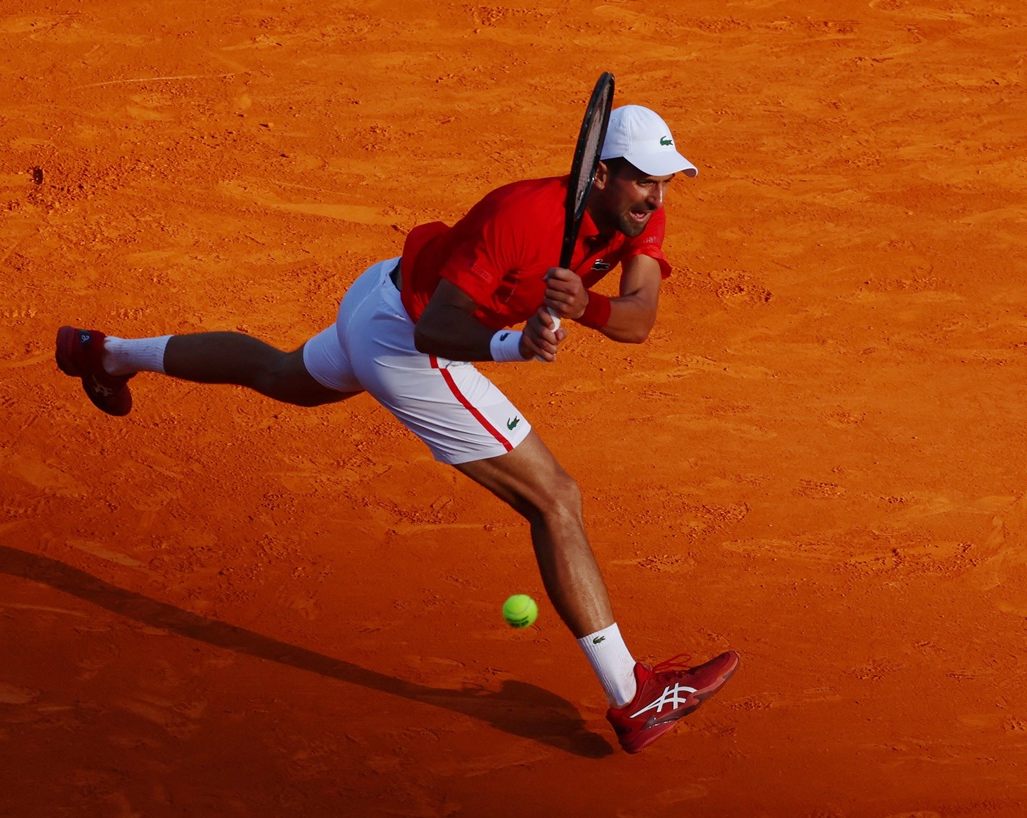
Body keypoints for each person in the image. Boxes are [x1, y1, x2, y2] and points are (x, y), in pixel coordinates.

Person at [56, 104, 739, 754]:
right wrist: (512, 347)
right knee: (554, 499)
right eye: (643, 179)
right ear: (601, 173)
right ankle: (635, 696)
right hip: (405, 337)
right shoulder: (521, 214)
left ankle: (105, 352)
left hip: (377, 299)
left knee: (279, 374)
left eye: (664, 180)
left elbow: (639, 318)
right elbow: (436, 328)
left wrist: (585, 304)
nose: (656, 196)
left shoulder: (640, 213)